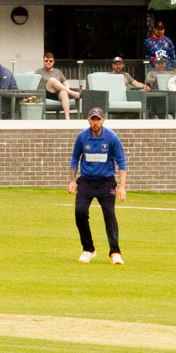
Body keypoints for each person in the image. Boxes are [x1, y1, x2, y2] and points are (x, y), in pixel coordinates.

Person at [69, 105, 127, 263]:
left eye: (98, 119)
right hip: (86, 181)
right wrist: (73, 180)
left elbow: (121, 161)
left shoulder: (111, 137)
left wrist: (122, 187)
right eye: (92, 119)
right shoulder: (82, 137)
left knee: (109, 215)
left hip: (106, 181)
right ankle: (88, 249)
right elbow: (75, 158)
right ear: (88, 120)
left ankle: (115, 252)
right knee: (80, 213)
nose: (95, 122)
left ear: (103, 120)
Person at [36, 51, 77, 119]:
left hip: (57, 93)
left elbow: (66, 83)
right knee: (52, 80)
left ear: (54, 61)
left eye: (50, 61)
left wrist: (66, 89)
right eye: (46, 61)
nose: (48, 62)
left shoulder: (58, 71)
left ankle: (67, 118)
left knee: (64, 93)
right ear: (43, 61)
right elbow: (36, 84)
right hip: (46, 92)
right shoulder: (38, 71)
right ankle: (72, 93)